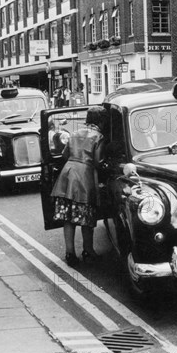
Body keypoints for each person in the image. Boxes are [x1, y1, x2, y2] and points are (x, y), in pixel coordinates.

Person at [50, 105, 108, 267]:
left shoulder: (74, 133)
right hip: (84, 178)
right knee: (86, 217)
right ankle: (88, 250)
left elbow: (65, 155)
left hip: (67, 176)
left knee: (68, 218)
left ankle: (70, 253)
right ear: (102, 121)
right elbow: (98, 161)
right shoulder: (99, 137)